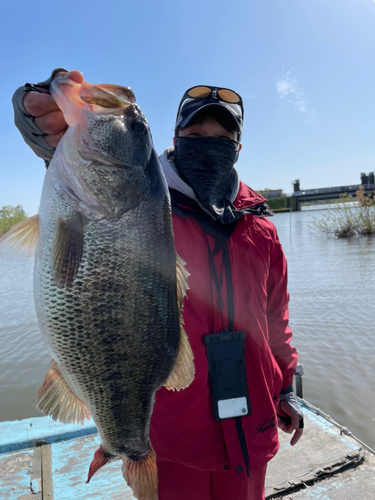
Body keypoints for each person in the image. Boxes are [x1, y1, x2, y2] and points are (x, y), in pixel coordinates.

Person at [12, 70, 304, 500]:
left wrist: (285, 387)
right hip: (166, 440)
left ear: (237, 149)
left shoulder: (261, 223)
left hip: (251, 430)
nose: (208, 141)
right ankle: (124, 444)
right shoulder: (148, 201)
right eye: (195, 130)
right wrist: (38, 119)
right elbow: (76, 163)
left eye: (221, 136)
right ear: (175, 138)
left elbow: (275, 317)